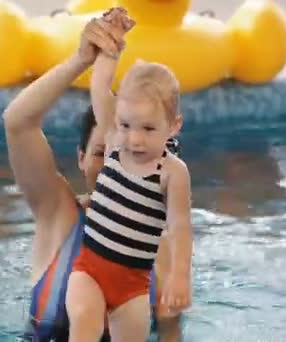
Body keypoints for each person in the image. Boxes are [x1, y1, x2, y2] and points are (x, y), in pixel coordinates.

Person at [2, 9, 185, 342]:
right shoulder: (57, 213)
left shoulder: (156, 243)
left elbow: (171, 333)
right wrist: (80, 60)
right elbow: (17, 123)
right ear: (82, 159)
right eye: (104, 153)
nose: (119, 162)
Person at [65, 7, 193, 342]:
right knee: (83, 319)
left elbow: (180, 228)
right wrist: (113, 44)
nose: (134, 139)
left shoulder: (172, 172)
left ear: (174, 126)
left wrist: (180, 277)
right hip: (90, 270)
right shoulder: (114, 142)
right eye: (126, 125)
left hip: (134, 286)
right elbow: (100, 83)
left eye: (149, 128)